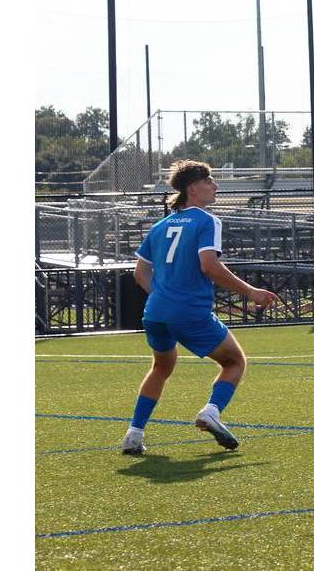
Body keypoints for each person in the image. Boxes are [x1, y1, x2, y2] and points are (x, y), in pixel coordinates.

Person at [121, 160, 280, 455]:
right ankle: (211, 411)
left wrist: (163, 295)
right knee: (235, 362)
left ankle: (134, 433)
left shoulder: (160, 226)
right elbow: (209, 265)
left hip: (155, 311)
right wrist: (250, 291)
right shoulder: (207, 220)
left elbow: (139, 273)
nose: (215, 186)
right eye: (209, 181)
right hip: (189, 311)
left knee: (161, 367)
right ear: (193, 189)